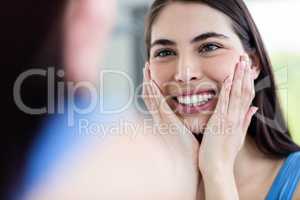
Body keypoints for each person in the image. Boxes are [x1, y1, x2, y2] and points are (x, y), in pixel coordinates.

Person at [142, 0, 300, 199]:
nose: (184, 73)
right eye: (165, 52)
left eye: (209, 47)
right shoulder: (125, 183)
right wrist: (185, 172)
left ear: (252, 63)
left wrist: (217, 170)